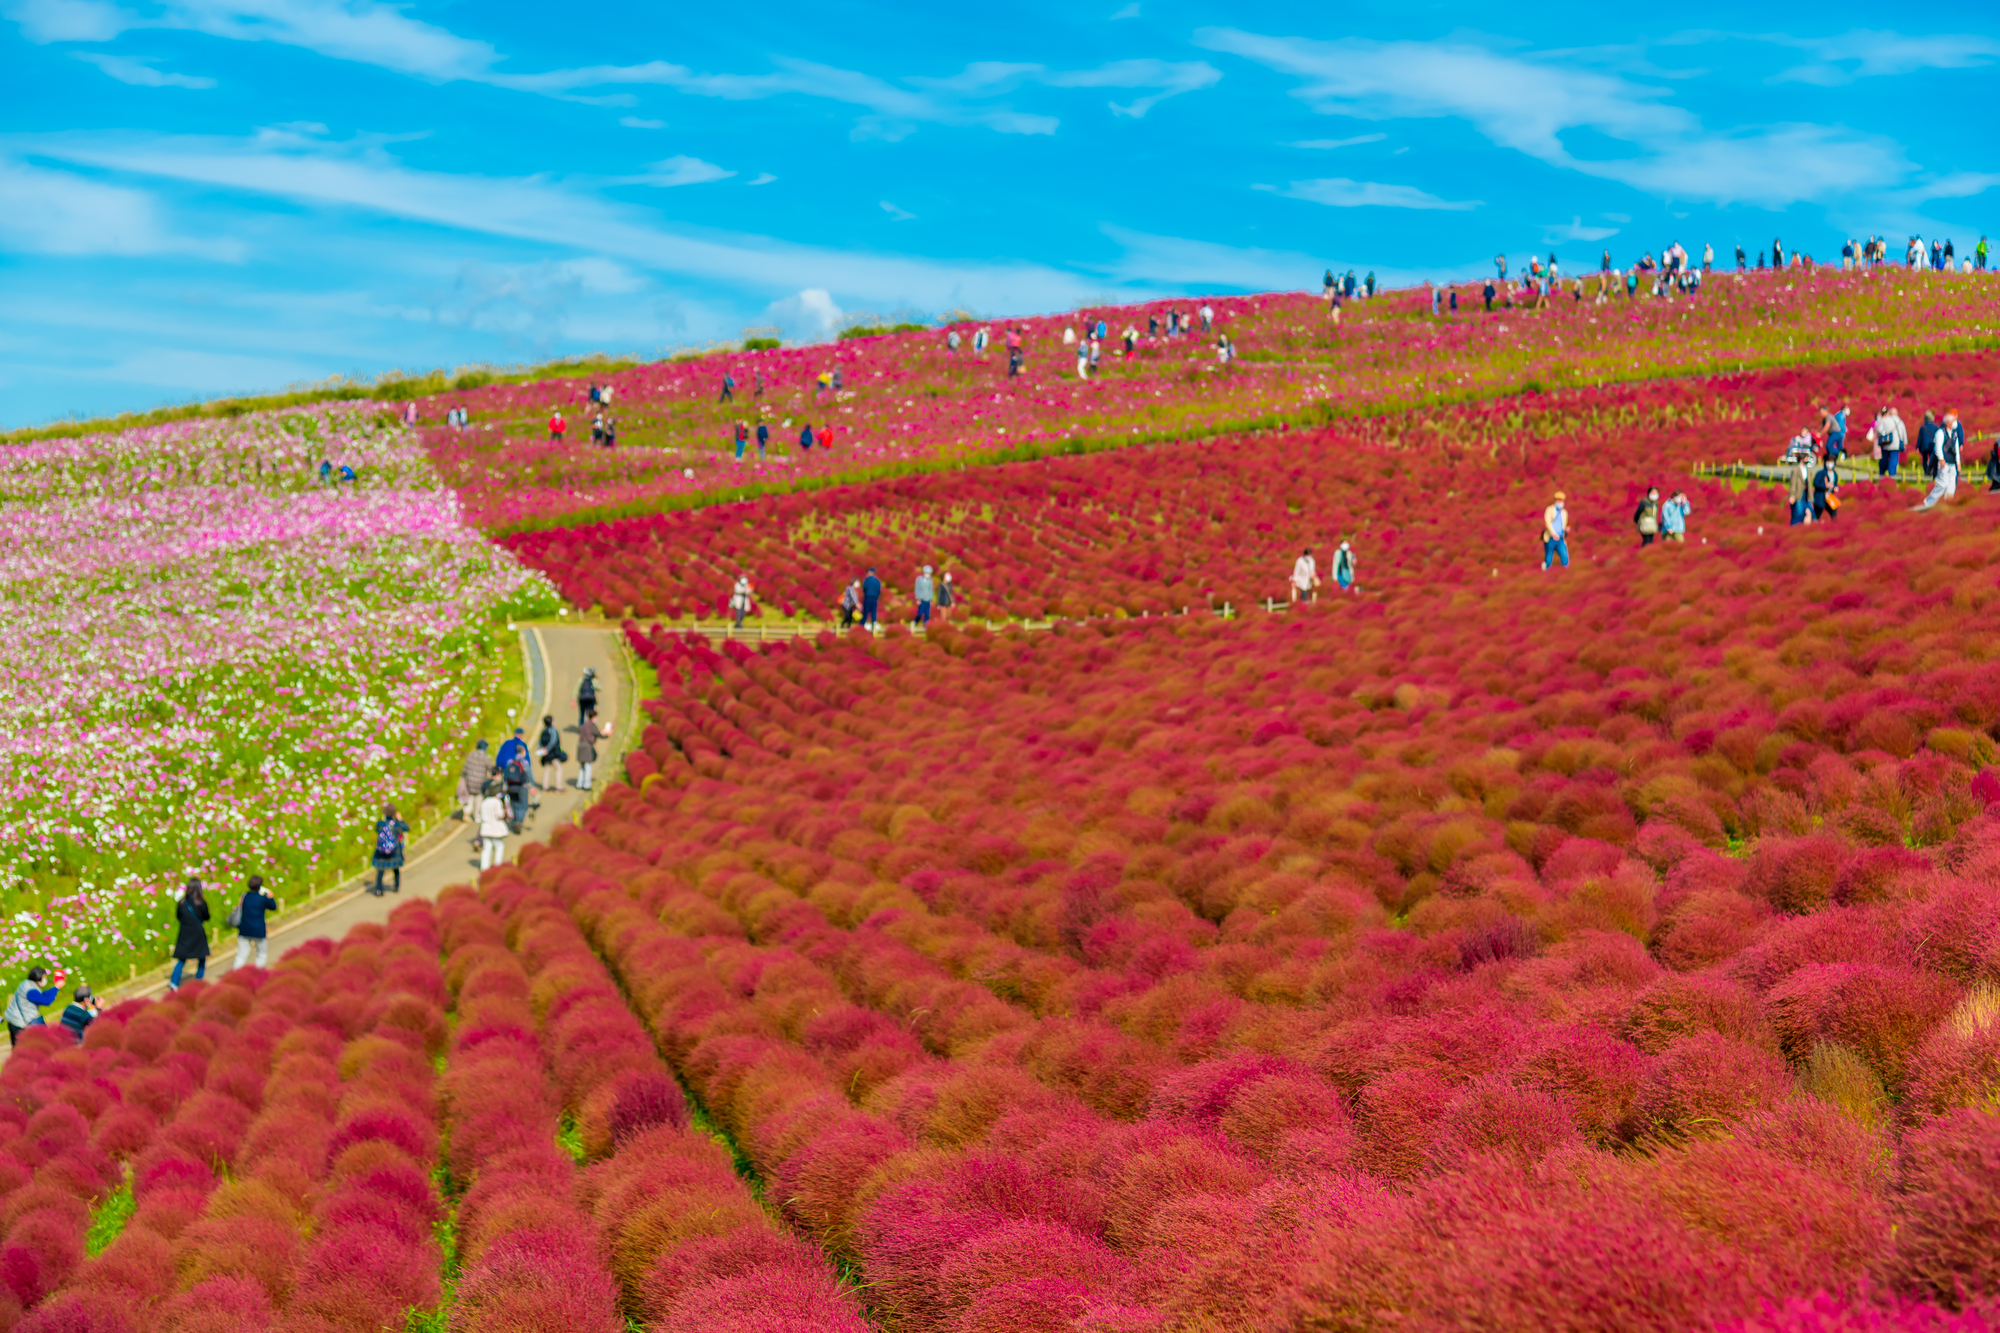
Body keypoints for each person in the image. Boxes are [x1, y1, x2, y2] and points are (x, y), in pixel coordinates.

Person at [1919, 410, 1964, 510]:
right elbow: (1938, 447)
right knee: (1942, 483)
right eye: (1953, 421)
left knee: (1952, 483)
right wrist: (1941, 459)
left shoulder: (1954, 434)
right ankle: (1929, 502)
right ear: (1948, 423)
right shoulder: (1940, 432)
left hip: (1952, 462)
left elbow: (1956, 449)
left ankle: (1949, 500)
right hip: (1944, 462)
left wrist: (1958, 462)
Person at [5, 966, 61, 1044]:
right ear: (39, 978)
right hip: (21, 1021)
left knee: (18, 1046)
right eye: (44, 977)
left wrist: (54, 988)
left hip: (13, 1019)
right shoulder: (30, 990)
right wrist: (56, 988)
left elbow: (41, 995)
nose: (45, 979)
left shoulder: (26, 983)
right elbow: (46, 1001)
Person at [170, 879, 209, 990]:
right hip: (198, 933)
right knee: (202, 957)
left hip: (185, 933)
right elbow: (207, 917)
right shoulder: (201, 902)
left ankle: (174, 982)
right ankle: (199, 980)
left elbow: (178, 917)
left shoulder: (182, 903)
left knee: (182, 959)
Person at [233, 875, 275, 969]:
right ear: (260, 886)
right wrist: (270, 897)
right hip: (258, 930)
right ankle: (257, 975)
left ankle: (235, 974)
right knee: (261, 954)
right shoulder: (262, 898)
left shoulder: (245, 896)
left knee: (241, 955)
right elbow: (273, 906)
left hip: (244, 929)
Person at [371, 803, 409, 896]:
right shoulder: (397, 824)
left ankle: (379, 890)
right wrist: (399, 819)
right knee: (396, 868)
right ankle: (396, 887)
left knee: (380, 870)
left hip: (381, 851)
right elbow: (407, 828)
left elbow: (376, 830)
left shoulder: (380, 824)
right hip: (394, 850)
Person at [458, 738, 492, 824]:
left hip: (470, 781)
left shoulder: (471, 755)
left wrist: (462, 777)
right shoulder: (486, 757)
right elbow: (490, 768)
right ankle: (477, 816)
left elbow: (465, 769)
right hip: (480, 782)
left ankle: (467, 813)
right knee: (479, 798)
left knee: (469, 797)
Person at [478, 780, 510, 870]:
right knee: (499, 846)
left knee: (486, 847)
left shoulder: (484, 802)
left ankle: (484, 867)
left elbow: (480, 813)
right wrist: (504, 812)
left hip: (485, 828)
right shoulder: (496, 802)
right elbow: (499, 815)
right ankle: (498, 866)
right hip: (495, 828)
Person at [1872, 405, 1907, 477]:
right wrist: (1905, 442)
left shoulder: (1885, 420)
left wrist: (1881, 435)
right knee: (1893, 460)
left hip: (1886, 443)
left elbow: (1879, 430)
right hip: (1896, 444)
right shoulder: (1900, 421)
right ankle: (1892, 475)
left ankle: (1882, 473)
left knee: (1884, 458)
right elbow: (1903, 433)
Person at [576, 707, 606, 791]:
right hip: (587, 746)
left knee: (582, 766)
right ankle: (587, 784)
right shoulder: (592, 726)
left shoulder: (583, 725)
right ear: (593, 717)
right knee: (588, 765)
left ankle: (579, 783)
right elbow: (599, 735)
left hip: (580, 745)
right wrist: (607, 733)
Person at [536, 713, 566, 793]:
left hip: (545, 755)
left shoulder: (543, 731)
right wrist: (547, 749)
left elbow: (539, 742)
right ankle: (558, 787)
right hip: (553, 754)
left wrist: (542, 750)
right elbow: (553, 741)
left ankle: (545, 787)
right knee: (558, 768)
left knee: (547, 769)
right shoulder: (553, 730)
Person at [1541, 493, 1570, 569]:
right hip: (1550, 538)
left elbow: (1564, 524)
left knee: (1565, 557)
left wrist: (1565, 530)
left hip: (1560, 538)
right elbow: (1547, 522)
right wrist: (1553, 533)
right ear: (1555, 501)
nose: (1560, 503)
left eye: (1562, 501)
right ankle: (1544, 570)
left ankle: (1567, 572)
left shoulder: (1564, 512)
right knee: (1548, 558)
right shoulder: (1549, 510)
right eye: (1559, 501)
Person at [1812, 455, 1841, 522]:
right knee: (1817, 516)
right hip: (1820, 498)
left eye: (1831, 462)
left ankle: (1835, 528)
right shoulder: (1820, 473)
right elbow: (1815, 483)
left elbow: (1835, 483)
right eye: (1828, 462)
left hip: (1829, 498)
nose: (1829, 464)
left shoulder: (1835, 473)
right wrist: (1825, 486)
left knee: (1834, 515)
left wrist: (1835, 487)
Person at [1787, 454, 1814, 525]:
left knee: (1810, 512)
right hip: (1798, 494)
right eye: (1806, 458)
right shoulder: (1796, 470)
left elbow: (1808, 484)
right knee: (1798, 512)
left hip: (1806, 494)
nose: (1807, 459)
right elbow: (1793, 483)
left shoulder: (1806, 469)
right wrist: (1792, 495)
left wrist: (1810, 497)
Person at [1916, 409, 1941, 479]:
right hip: (1932, 445)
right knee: (1932, 458)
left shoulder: (1922, 427)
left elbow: (1920, 438)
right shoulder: (1935, 426)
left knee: (1924, 459)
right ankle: (1931, 470)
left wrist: (1917, 447)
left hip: (1924, 446)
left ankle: (1926, 472)